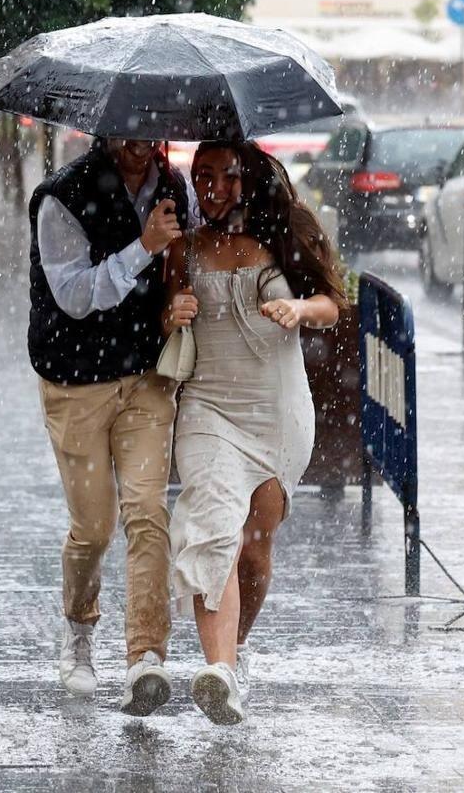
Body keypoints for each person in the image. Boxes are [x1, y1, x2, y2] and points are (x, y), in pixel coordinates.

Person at [165, 141, 345, 725]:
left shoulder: (282, 234)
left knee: (254, 546)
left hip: (276, 412)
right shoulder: (180, 246)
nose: (213, 187)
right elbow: (155, 318)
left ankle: (236, 651)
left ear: (250, 179)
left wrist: (298, 309)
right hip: (207, 409)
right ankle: (217, 671)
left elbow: (331, 304)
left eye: (226, 175)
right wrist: (171, 311)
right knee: (213, 529)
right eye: (203, 176)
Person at [30, 136, 188, 716]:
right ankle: (78, 624)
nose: (140, 143)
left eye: (151, 130)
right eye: (128, 130)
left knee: (148, 512)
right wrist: (142, 247)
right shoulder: (61, 198)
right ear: (103, 129)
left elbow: (180, 265)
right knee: (94, 529)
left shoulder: (172, 186)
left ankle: (146, 656)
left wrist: (176, 301)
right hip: (77, 382)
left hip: (146, 377)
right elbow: (74, 296)